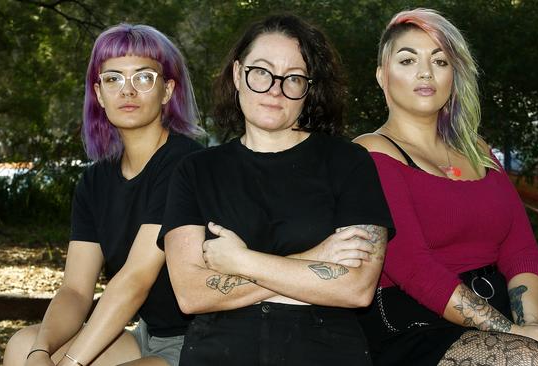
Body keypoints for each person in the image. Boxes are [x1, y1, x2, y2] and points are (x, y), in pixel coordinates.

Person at [354, 8, 538, 366]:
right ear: (383, 76)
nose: (425, 72)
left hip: (497, 305)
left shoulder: (477, 149)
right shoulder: (370, 152)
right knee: (524, 358)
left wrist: (530, 326)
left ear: (453, 75)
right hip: (414, 322)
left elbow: (519, 246)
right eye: (407, 59)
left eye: (441, 61)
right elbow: (412, 266)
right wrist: (511, 334)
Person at [160, 14, 394, 366]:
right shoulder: (196, 170)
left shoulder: (350, 162)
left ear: (308, 88)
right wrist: (317, 259)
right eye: (261, 72)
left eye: (293, 78)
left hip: (325, 353)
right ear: (238, 74)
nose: (274, 88)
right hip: (219, 354)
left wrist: (240, 262)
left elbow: (356, 288)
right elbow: (192, 294)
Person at [3, 24, 203, 366]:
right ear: (98, 92)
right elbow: (76, 291)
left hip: (202, 339)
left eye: (143, 78)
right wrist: (40, 351)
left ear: (167, 90)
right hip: (146, 335)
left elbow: (136, 279)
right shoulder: (95, 180)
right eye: (113, 79)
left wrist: (71, 363)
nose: (127, 90)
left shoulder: (184, 163)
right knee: (23, 346)